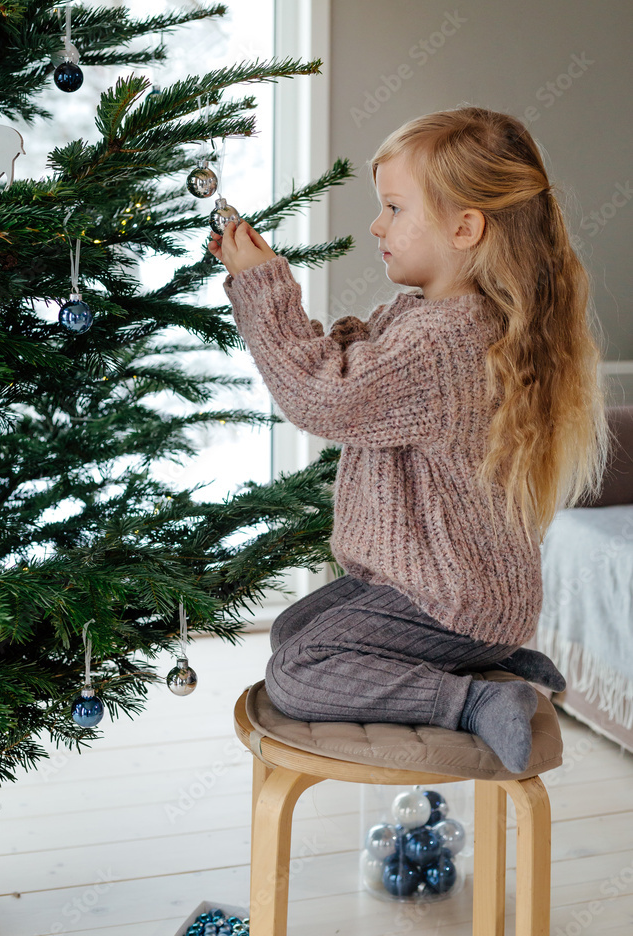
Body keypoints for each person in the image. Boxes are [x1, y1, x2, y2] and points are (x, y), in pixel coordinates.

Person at [208, 105, 610, 773]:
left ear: (464, 227)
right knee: (290, 631)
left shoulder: (444, 339)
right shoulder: (435, 316)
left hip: (448, 596)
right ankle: (495, 656)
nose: (376, 226)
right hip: (449, 588)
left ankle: (472, 699)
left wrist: (260, 287)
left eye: (393, 208)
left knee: (296, 672)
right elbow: (351, 369)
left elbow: (325, 396)